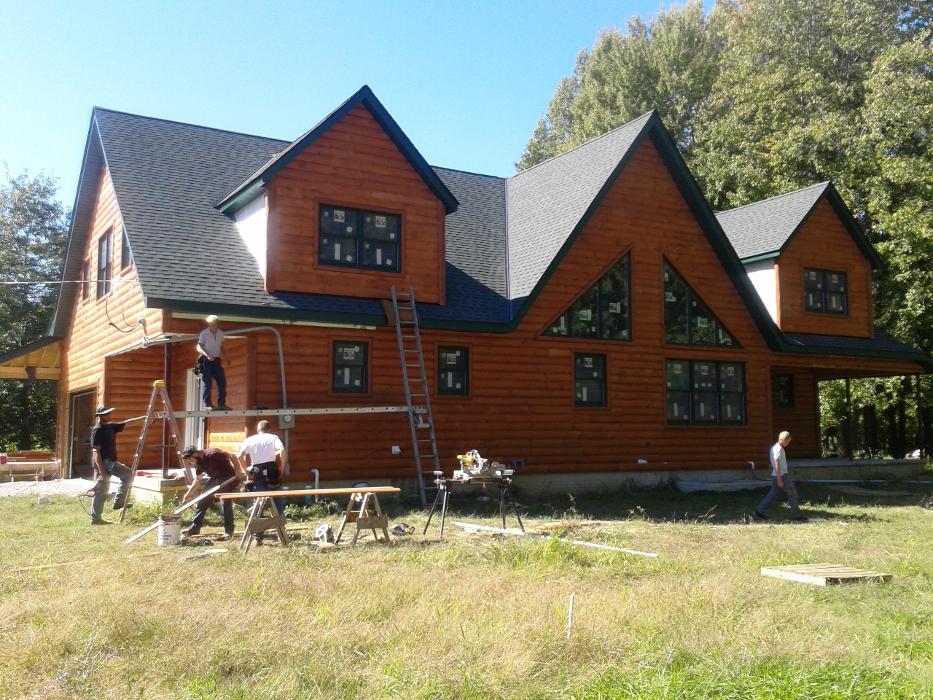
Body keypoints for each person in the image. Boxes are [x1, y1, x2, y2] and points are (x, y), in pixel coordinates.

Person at [89, 406, 146, 524]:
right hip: (105, 462)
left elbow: (127, 423)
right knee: (127, 474)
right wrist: (102, 470)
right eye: (106, 414)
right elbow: (96, 451)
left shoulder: (110, 427)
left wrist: (145, 418)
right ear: (99, 416)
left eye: (109, 414)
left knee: (101, 490)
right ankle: (119, 502)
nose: (108, 416)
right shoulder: (97, 430)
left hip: (110, 461)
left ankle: (96, 518)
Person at [238, 420, 288, 544]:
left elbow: (239, 456)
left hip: (257, 470)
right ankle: (281, 534)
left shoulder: (250, 439)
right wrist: (282, 467)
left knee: (258, 504)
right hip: (272, 470)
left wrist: (246, 471)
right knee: (277, 501)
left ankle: (257, 538)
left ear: (258, 430)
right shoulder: (273, 438)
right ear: (269, 429)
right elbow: (282, 451)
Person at [181, 446, 241, 539]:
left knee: (226, 503)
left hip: (227, 477)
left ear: (195, 454)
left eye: (190, 459)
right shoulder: (199, 462)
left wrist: (238, 470)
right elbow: (198, 479)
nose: (190, 461)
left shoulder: (214, 454)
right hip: (215, 479)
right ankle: (195, 528)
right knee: (202, 501)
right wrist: (189, 493)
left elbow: (233, 456)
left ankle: (229, 532)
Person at [754, 431, 807, 522]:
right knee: (792, 494)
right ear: (783, 440)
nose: (788, 443)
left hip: (776, 475)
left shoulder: (774, 447)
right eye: (788, 441)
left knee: (773, 494)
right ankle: (797, 516)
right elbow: (776, 462)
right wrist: (779, 478)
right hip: (782, 476)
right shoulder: (778, 449)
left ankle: (759, 510)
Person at [196, 314, 231, 411]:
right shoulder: (204, 333)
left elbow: (221, 346)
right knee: (207, 383)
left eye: (214, 324)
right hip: (206, 360)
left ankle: (221, 404)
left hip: (216, 360)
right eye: (210, 324)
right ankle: (207, 405)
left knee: (222, 381)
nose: (212, 325)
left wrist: (226, 356)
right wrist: (207, 354)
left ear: (217, 324)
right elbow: (199, 346)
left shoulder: (220, 333)